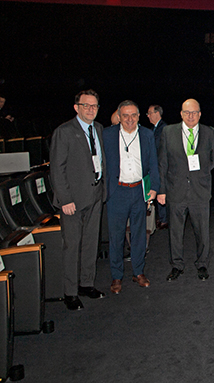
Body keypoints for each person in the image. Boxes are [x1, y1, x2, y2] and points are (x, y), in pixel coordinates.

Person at [50, 89, 106, 310]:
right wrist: (64, 199)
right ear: (76, 108)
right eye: (86, 106)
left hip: (95, 194)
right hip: (72, 200)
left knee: (91, 243)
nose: (91, 110)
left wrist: (104, 190)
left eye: (95, 106)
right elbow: (57, 169)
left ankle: (87, 283)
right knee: (72, 246)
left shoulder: (98, 129)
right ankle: (70, 292)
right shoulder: (64, 132)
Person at [103, 100, 159, 294]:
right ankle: (116, 276)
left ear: (138, 116)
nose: (129, 119)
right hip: (117, 192)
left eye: (133, 115)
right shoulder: (107, 135)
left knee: (138, 234)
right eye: (125, 115)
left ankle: (138, 272)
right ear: (119, 117)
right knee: (116, 236)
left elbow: (153, 163)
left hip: (138, 191)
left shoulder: (147, 135)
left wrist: (154, 188)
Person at [157, 99, 214, 281]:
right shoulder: (168, 132)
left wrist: (200, 176)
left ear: (200, 114)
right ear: (181, 114)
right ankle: (177, 265)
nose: (191, 116)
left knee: (203, 231)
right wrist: (161, 190)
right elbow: (162, 163)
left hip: (200, 191)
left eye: (194, 112)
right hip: (176, 191)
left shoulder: (210, 132)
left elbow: (213, 159)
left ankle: (203, 265)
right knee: (175, 232)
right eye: (187, 112)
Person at [147, 104, 168, 229]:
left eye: (149, 113)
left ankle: (164, 219)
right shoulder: (153, 129)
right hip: (154, 165)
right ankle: (161, 218)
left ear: (157, 113)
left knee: (161, 190)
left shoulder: (164, 129)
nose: (148, 116)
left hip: (161, 165)